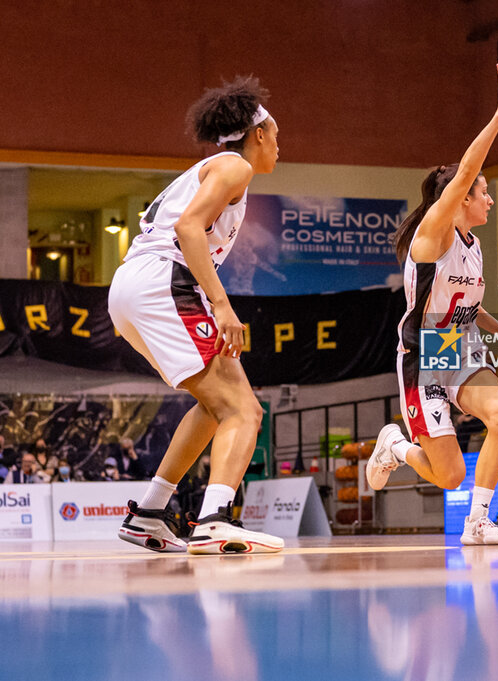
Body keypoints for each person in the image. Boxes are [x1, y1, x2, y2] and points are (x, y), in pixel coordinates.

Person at [107, 76, 284, 554]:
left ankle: (149, 514)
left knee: (214, 408)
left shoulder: (211, 167)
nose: (278, 147)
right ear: (259, 134)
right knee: (244, 410)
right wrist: (222, 305)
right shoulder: (233, 166)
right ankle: (214, 521)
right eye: (276, 136)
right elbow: (189, 227)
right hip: (164, 279)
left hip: (132, 287)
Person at [369, 65, 498, 546]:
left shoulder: (473, 244)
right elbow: (465, 172)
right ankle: (397, 446)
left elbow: (469, 308)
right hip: (423, 354)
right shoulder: (433, 236)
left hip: (455, 344)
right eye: (483, 193)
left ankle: (478, 521)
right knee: (448, 476)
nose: (488, 199)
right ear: (459, 199)